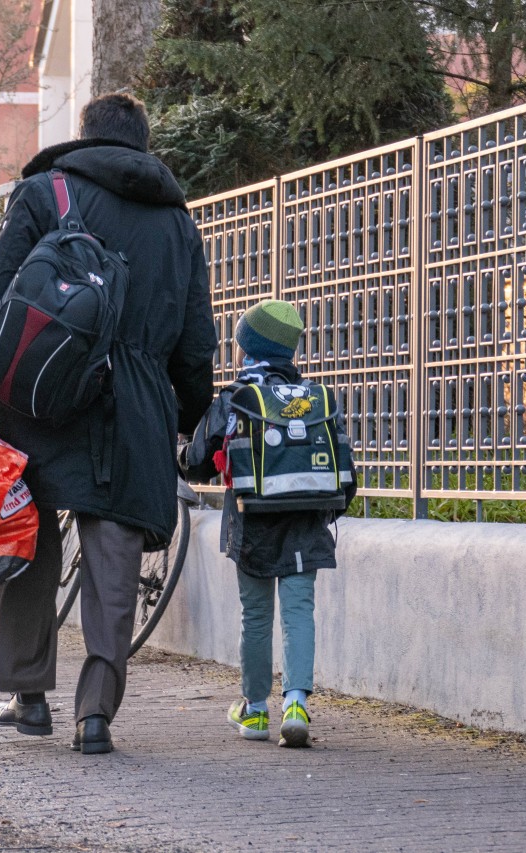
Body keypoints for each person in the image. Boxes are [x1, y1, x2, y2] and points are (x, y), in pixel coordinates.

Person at [0, 93, 218, 754]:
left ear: (85, 138)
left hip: (44, 391)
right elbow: (195, 341)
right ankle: (95, 712)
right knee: (115, 553)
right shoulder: (179, 224)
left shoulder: (45, 193)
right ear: (144, 145)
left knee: (30, 534)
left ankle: (27, 691)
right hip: (136, 402)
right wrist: (182, 417)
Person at [216, 299, 354, 748]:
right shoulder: (314, 398)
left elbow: (199, 455)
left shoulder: (239, 397)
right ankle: (296, 704)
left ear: (250, 351)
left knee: (255, 615)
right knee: (299, 613)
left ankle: (255, 710)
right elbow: (343, 466)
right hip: (305, 522)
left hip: (252, 522)